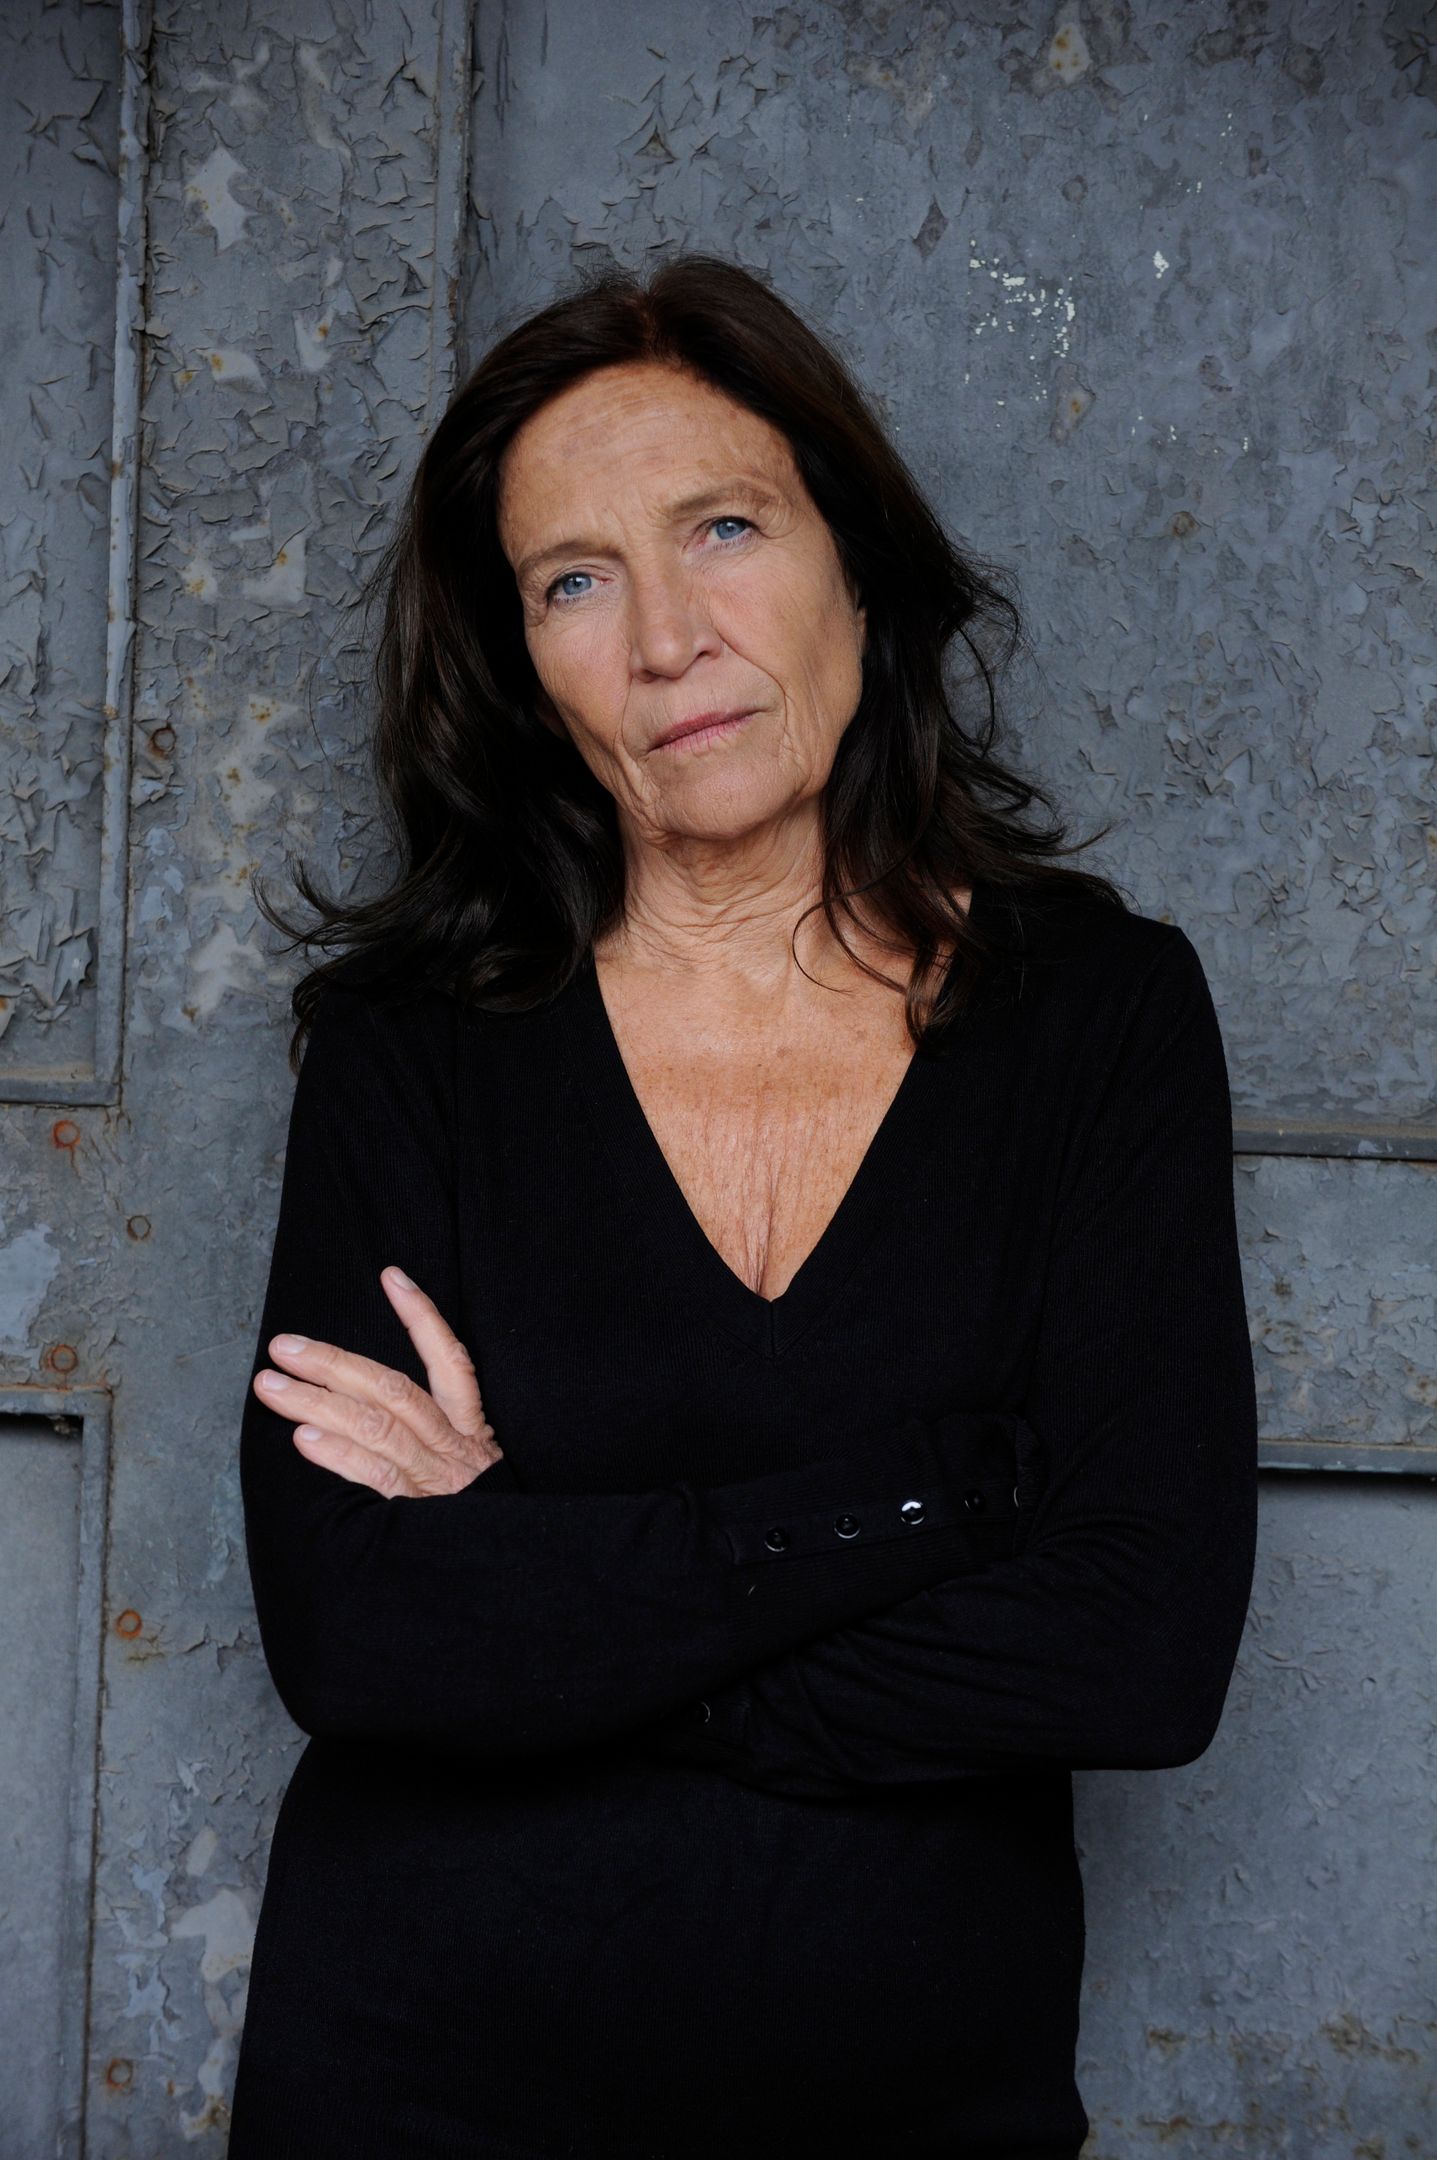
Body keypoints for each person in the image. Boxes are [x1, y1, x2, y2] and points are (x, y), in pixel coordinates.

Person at [228, 252, 1258, 2159]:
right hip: (418, 2080)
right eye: (573, 580)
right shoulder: (410, 1045)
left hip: (921, 2103)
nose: (664, 639)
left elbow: (1139, 1649)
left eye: (723, 528)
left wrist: (538, 1575)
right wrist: (927, 1506)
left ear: (854, 560)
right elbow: (358, 1636)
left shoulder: (1094, 1018)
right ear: (521, 668)